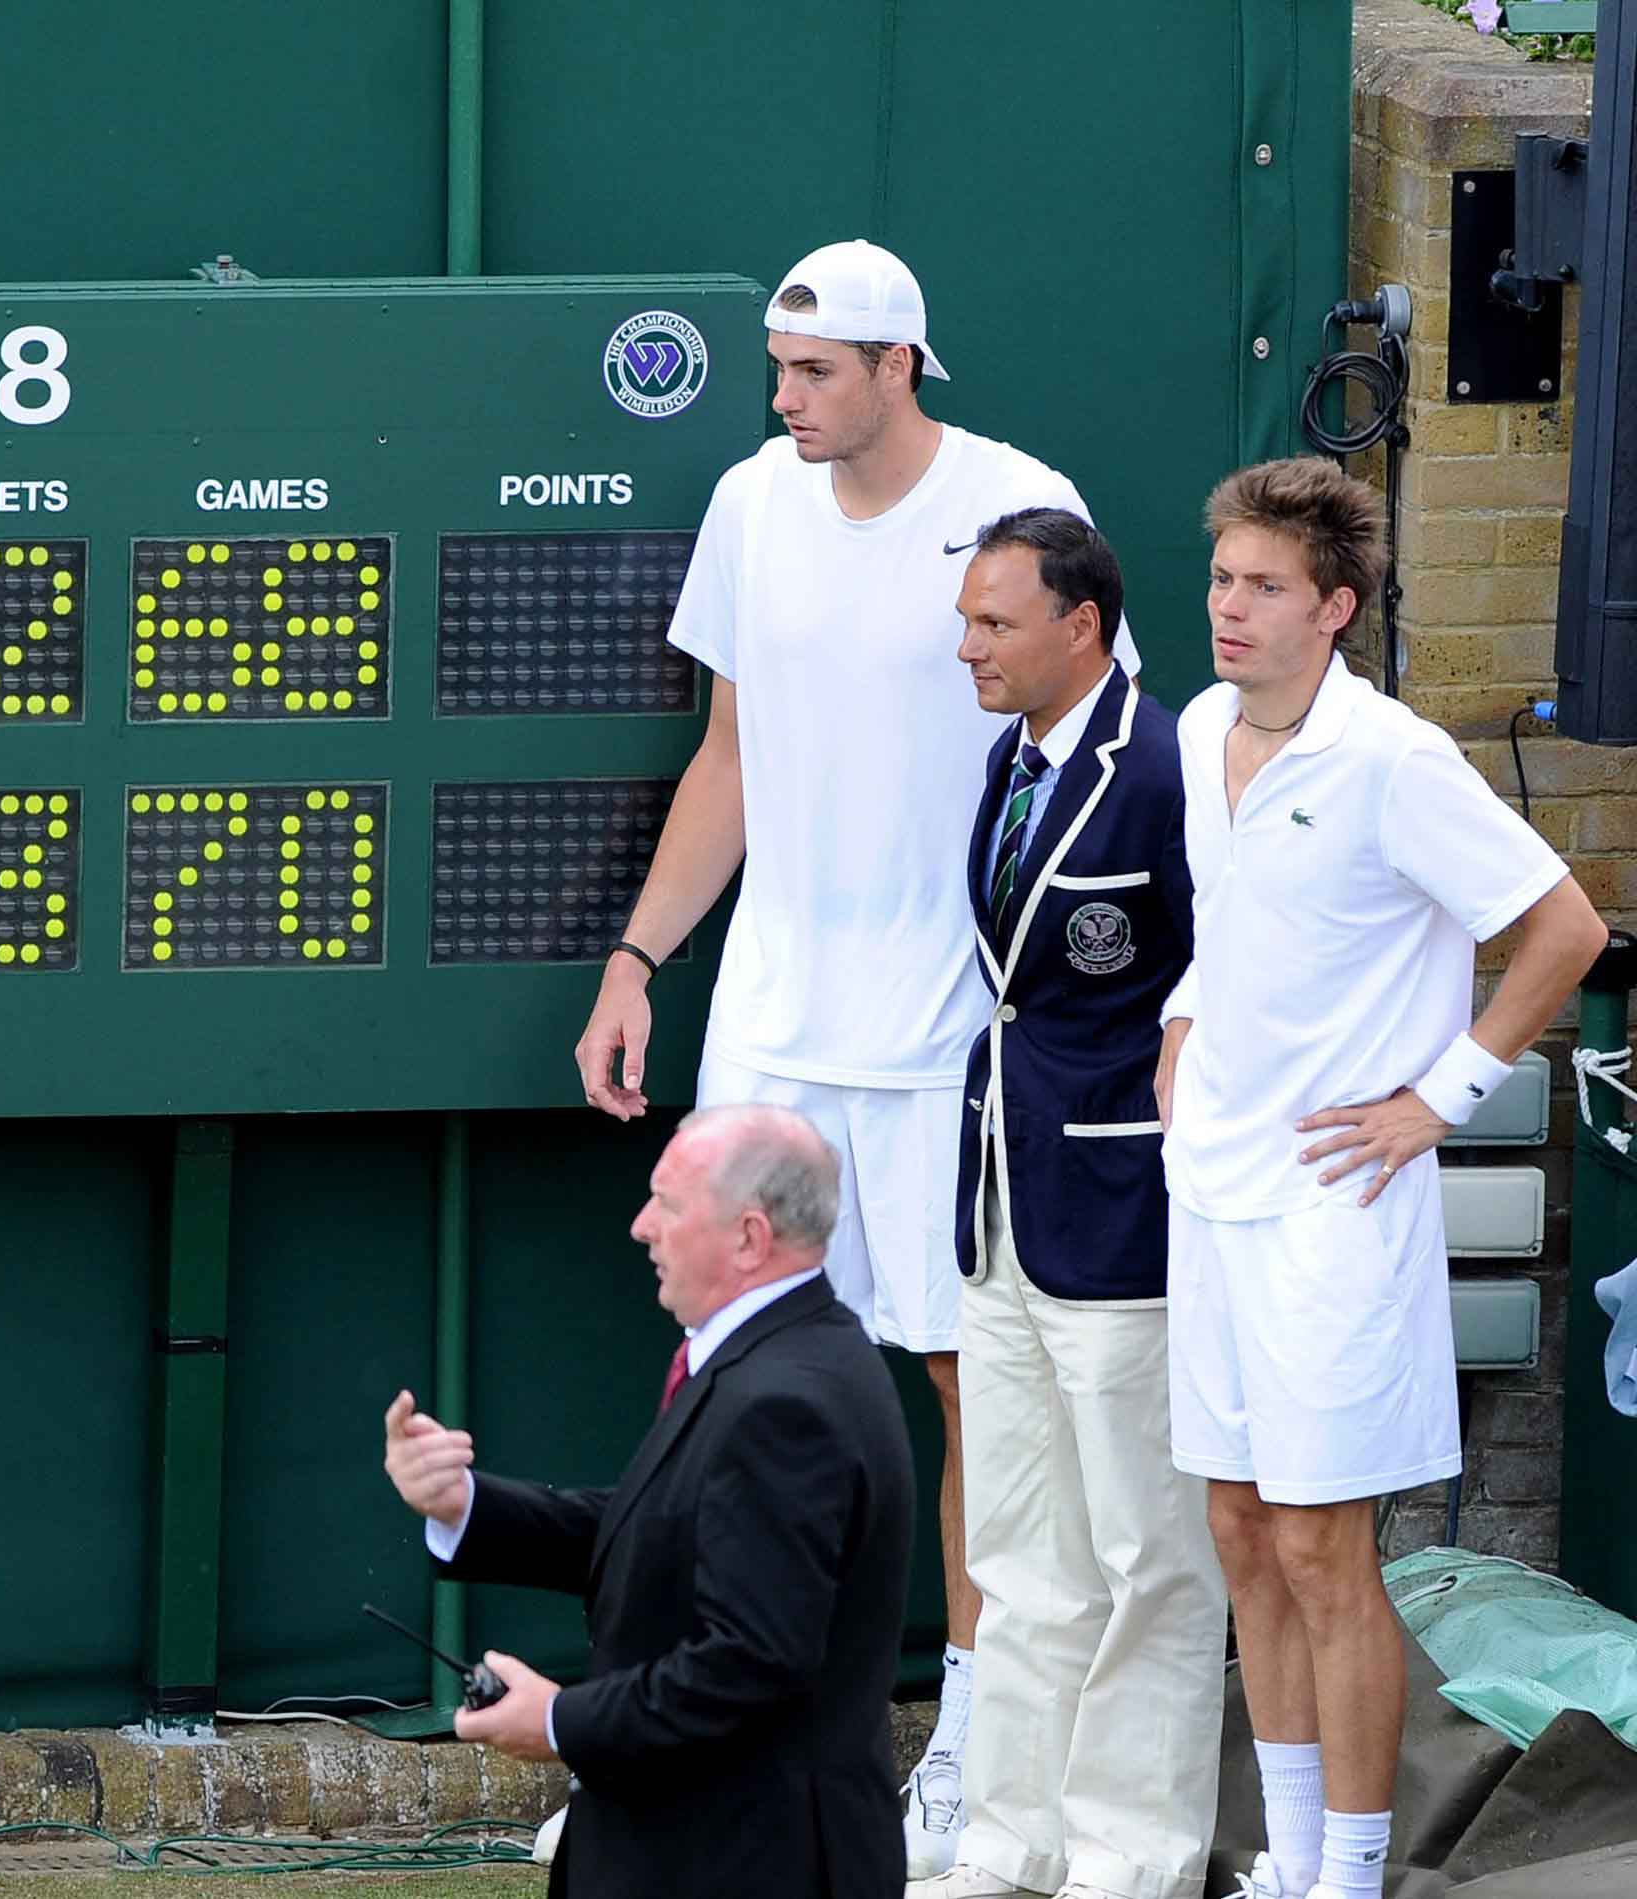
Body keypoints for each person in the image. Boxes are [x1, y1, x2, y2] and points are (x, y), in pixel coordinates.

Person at [569, 239, 1139, 1878]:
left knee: (974, 1389)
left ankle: (967, 1738)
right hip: (771, 1022)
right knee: (716, 1385)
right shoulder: (751, 502)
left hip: (957, 1030)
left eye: (815, 370)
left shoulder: (1020, 505)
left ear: (902, 365)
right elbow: (729, 755)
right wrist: (637, 958)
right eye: (776, 366)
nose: (783, 396)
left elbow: (1082, 768)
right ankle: (674, 1744)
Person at [1158, 458, 1607, 1899]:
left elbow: (1565, 926)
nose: (1231, 607)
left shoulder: (1398, 758)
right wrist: (1178, 1028)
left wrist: (1438, 1099)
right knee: (1239, 1526)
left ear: (1334, 607)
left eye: (1265, 586)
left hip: (1336, 1208)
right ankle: (1292, 1864)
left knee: (1318, 1541)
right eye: (1223, 578)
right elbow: (1221, 927)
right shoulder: (1197, 729)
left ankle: (1351, 1879)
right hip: (1214, 1188)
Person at [919, 508, 1226, 1899]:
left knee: (1146, 1554)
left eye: (995, 621)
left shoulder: (1165, 767)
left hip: (1123, 1214)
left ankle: (1133, 1855)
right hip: (1001, 1204)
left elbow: (1215, 976)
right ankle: (1011, 1839)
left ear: (1081, 624)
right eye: (967, 617)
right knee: (1020, 1547)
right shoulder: (1010, 757)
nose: (967, 644)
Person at [385, 1105, 914, 1899]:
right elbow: (662, 1526)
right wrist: (465, 1504)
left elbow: (749, 1662)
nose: (640, 1226)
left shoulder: (785, 1401)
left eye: (667, 1203)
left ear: (748, 1237)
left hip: (746, 1863)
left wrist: (563, 1721)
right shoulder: (782, 1357)